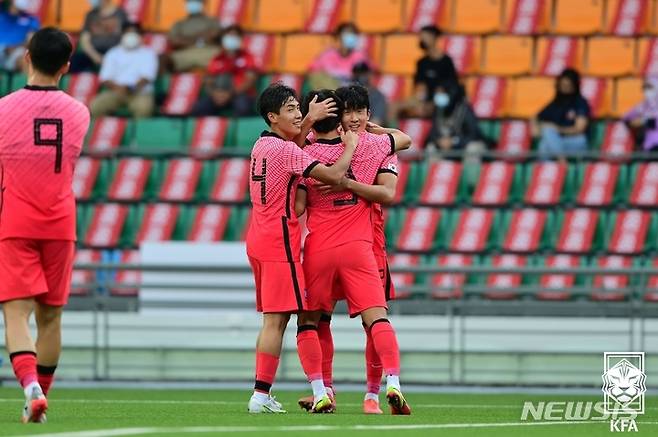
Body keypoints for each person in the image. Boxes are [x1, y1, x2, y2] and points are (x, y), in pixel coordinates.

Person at [295, 86, 413, 416]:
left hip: (318, 248)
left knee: (311, 322)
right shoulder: (375, 146)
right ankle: (392, 383)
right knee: (377, 318)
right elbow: (405, 140)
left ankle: (324, 389)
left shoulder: (305, 152)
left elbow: (299, 205)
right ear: (341, 117)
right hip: (361, 247)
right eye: (349, 112)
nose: (356, 117)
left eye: (361, 111)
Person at [246, 83, 357, 414]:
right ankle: (260, 395)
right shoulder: (287, 151)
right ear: (272, 116)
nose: (298, 114)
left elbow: (291, 149)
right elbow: (336, 175)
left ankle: (264, 394)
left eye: (298, 107)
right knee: (278, 322)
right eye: (291, 109)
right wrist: (350, 146)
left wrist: (307, 120)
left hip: (259, 235)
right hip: (280, 240)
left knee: (274, 319)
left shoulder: (263, 144)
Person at [0, 27, 90, 423]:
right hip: (60, 222)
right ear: (67, 66)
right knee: (51, 317)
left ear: (26, 58)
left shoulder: (3, 109)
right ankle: (40, 398)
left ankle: (30, 387)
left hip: (15, 219)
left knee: (15, 313)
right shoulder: (79, 112)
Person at [90, 23, 158, 118]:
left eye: (134, 33)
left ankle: (138, 132)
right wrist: (120, 88)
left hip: (140, 92)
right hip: (116, 91)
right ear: (122, 35)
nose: (131, 36)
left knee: (143, 109)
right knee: (95, 107)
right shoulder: (113, 53)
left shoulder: (148, 53)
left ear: (140, 36)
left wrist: (131, 88)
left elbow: (147, 77)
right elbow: (105, 78)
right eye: (128, 33)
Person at [425, 81, 486, 186]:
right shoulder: (438, 110)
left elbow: (474, 134)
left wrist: (454, 141)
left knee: (473, 148)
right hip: (446, 148)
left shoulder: (464, 109)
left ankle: (470, 187)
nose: (438, 96)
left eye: (441, 93)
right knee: (430, 148)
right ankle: (433, 186)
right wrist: (439, 141)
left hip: (464, 146)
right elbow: (432, 134)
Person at [191, 25, 259, 116]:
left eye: (235, 36)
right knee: (200, 107)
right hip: (217, 95)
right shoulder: (217, 58)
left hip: (240, 94)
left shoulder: (247, 57)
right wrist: (215, 94)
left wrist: (230, 93)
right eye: (229, 36)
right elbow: (208, 80)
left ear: (241, 39)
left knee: (243, 107)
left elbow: (250, 80)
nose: (231, 39)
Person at [393, 25, 458, 120]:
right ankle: (394, 134)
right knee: (394, 107)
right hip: (424, 99)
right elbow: (420, 86)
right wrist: (419, 101)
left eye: (425, 36)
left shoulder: (447, 61)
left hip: (440, 99)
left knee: (438, 104)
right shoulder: (422, 62)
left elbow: (451, 87)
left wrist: (431, 102)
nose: (421, 39)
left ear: (434, 37)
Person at [533, 68, 591, 160]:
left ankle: (561, 163)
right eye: (563, 85)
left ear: (574, 86)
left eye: (568, 85)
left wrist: (557, 129)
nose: (564, 88)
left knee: (547, 136)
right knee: (544, 144)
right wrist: (535, 128)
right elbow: (536, 117)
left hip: (577, 141)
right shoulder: (556, 103)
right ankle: (558, 167)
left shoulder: (581, 103)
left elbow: (579, 129)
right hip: (559, 141)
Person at [69, 0, 128, 73]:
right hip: (92, 53)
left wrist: (111, 57)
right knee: (73, 62)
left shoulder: (120, 14)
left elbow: (125, 38)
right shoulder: (91, 14)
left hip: (115, 53)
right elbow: (84, 40)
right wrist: (95, 56)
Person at [308, 22, 370, 90]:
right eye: (348, 33)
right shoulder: (327, 56)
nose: (351, 36)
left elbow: (364, 78)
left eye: (353, 34)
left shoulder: (360, 56)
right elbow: (314, 75)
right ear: (338, 36)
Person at [166, 0, 221, 72]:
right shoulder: (178, 23)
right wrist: (201, 37)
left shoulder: (212, 20)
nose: (192, 3)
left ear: (202, 3)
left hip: (209, 52)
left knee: (223, 59)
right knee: (165, 60)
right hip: (185, 53)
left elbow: (214, 35)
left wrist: (185, 38)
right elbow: (175, 41)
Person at [0, 0, 40, 72]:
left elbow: (31, 41)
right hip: (1, 49)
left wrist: (15, 47)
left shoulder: (31, 19)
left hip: (18, 51)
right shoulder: (2, 13)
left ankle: (28, 82)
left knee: (26, 58)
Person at [623, 76, 658, 153]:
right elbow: (626, 117)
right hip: (648, 145)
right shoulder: (643, 106)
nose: (646, 90)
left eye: (649, 87)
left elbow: (654, 121)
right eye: (645, 87)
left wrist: (643, 120)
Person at [352, 61, 387, 125]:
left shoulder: (377, 96)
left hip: (369, 132)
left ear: (370, 74)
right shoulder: (347, 94)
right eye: (357, 74)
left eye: (363, 73)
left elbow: (376, 122)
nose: (360, 77)